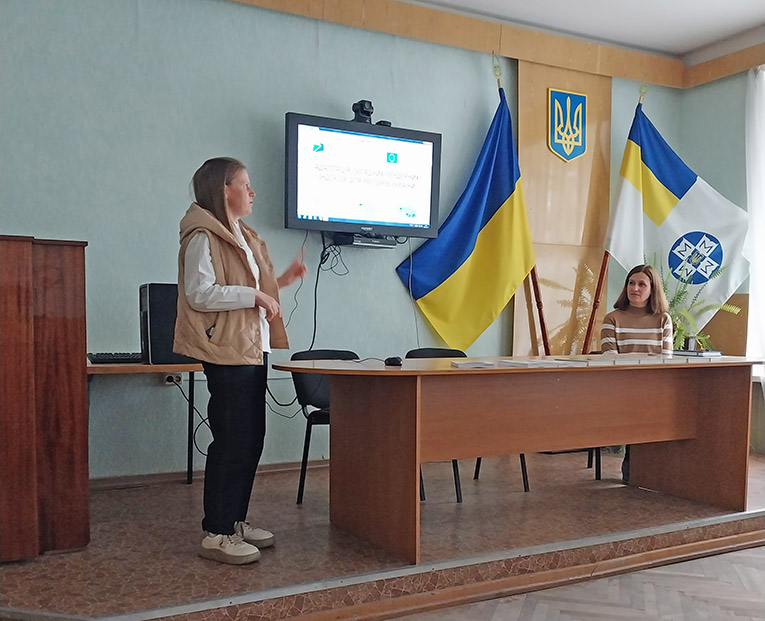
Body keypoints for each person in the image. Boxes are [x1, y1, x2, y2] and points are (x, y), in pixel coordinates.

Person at [173, 157, 306, 565]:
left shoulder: (243, 235)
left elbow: (248, 289)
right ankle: (216, 532)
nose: (252, 192)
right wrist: (256, 295)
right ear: (223, 189)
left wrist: (280, 282)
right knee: (231, 440)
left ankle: (234, 521)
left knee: (251, 438)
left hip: (252, 347)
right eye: (245, 185)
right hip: (227, 350)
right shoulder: (202, 236)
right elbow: (200, 293)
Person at [600, 264, 673, 483]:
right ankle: (634, 468)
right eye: (631, 283)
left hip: (656, 386)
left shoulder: (663, 319)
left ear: (652, 290)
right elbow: (610, 359)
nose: (635, 288)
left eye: (642, 284)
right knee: (638, 406)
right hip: (623, 387)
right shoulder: (612, 318)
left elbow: (666, 360)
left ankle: (659, 470)